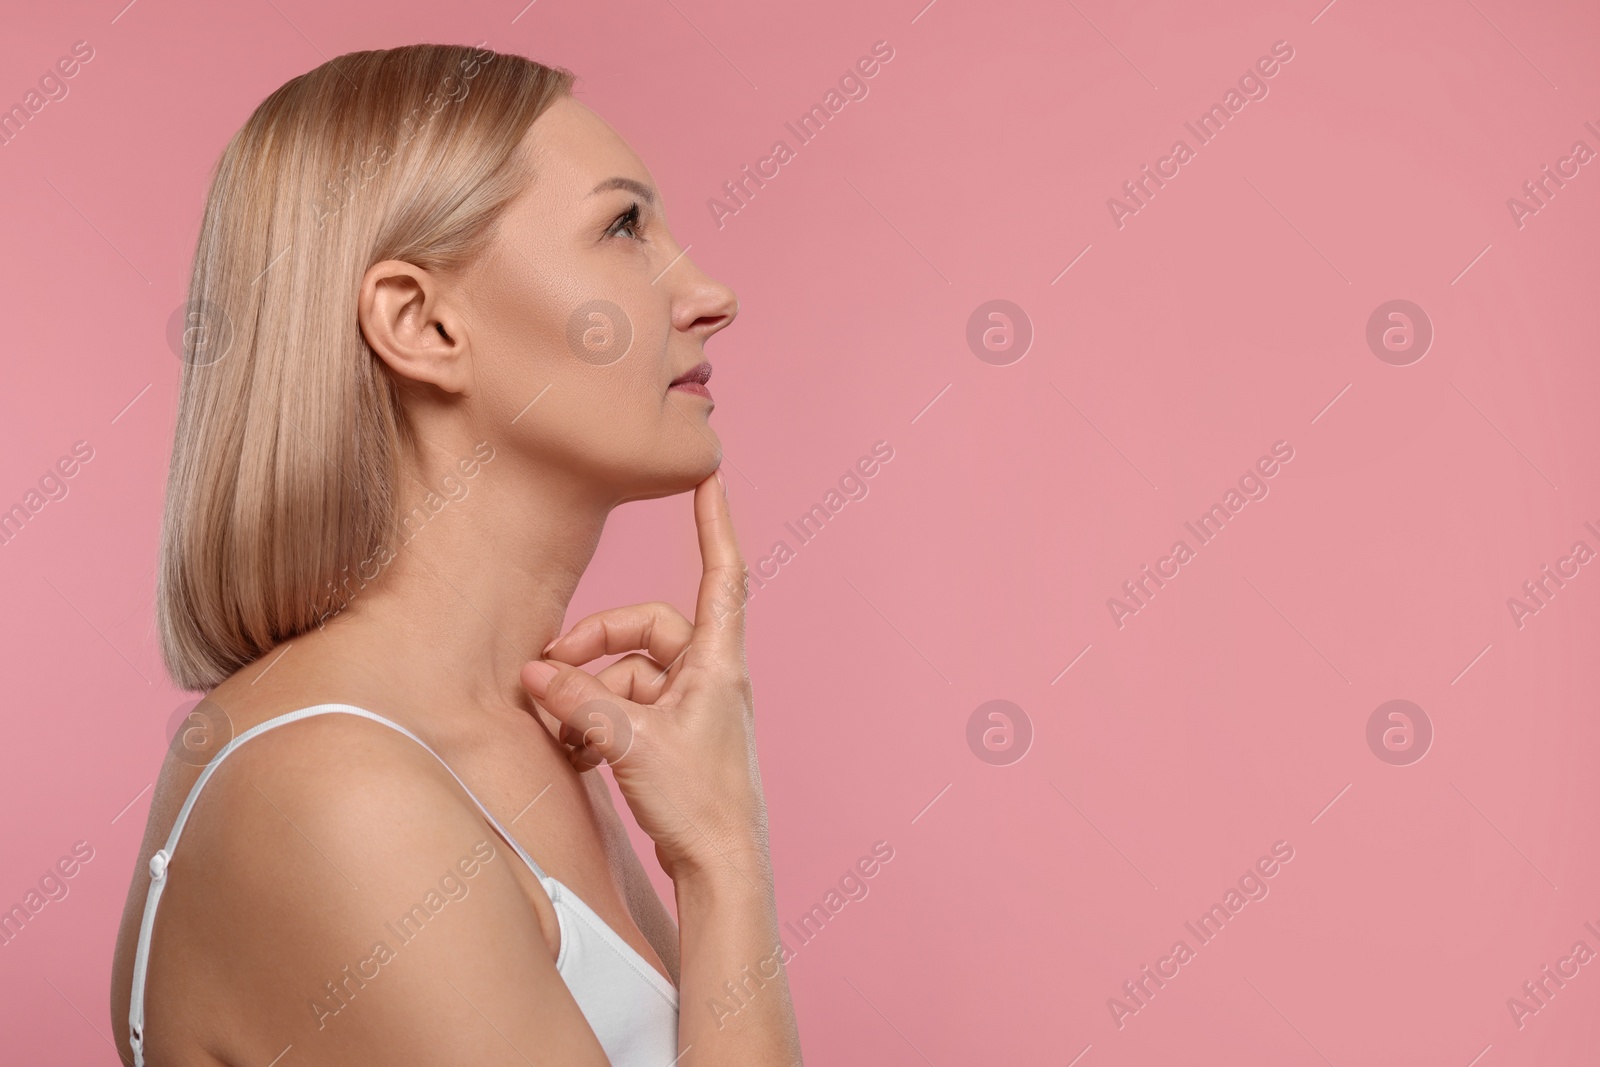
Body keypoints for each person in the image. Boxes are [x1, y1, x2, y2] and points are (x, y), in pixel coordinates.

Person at [108, 42, 802, 1066]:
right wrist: (727, 857)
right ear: (420, 321)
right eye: (622, 226)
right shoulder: (337, 795)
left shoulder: (523, 739)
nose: (709, 293)